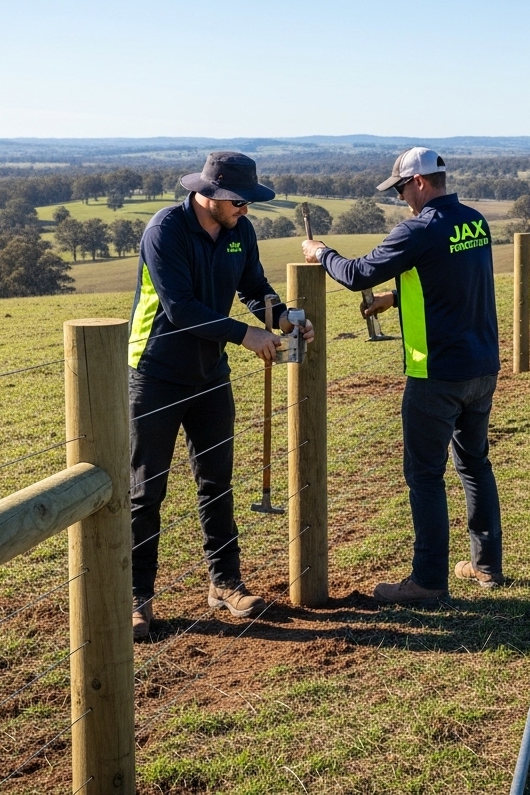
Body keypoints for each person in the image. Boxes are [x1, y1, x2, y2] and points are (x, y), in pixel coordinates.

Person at [302, 146, 504, 604]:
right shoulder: (474, 221)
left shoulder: (419, 228)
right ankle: (486, 566)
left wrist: (321, 252)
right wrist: (393, 300)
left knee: (424, 475)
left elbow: (356, 274)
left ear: (418, 183)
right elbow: (449, 278)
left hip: (436, 375)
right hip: (481, 367)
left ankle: (428, 582)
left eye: (399, 189)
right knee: (474, 465)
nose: (400, 199)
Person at [129, 151, 313, 639]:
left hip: (210, 374)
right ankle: (136, 598)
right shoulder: (164, 231)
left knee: (217, 481)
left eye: (249, 202)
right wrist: (245, 336)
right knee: (146, 490)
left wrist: (284, 319)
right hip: (155, 374)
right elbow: (180, 307)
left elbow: (255, 289)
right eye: (238, 201)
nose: (245, 210)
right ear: (207, 194)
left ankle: (226, 584)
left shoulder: (240, 233)